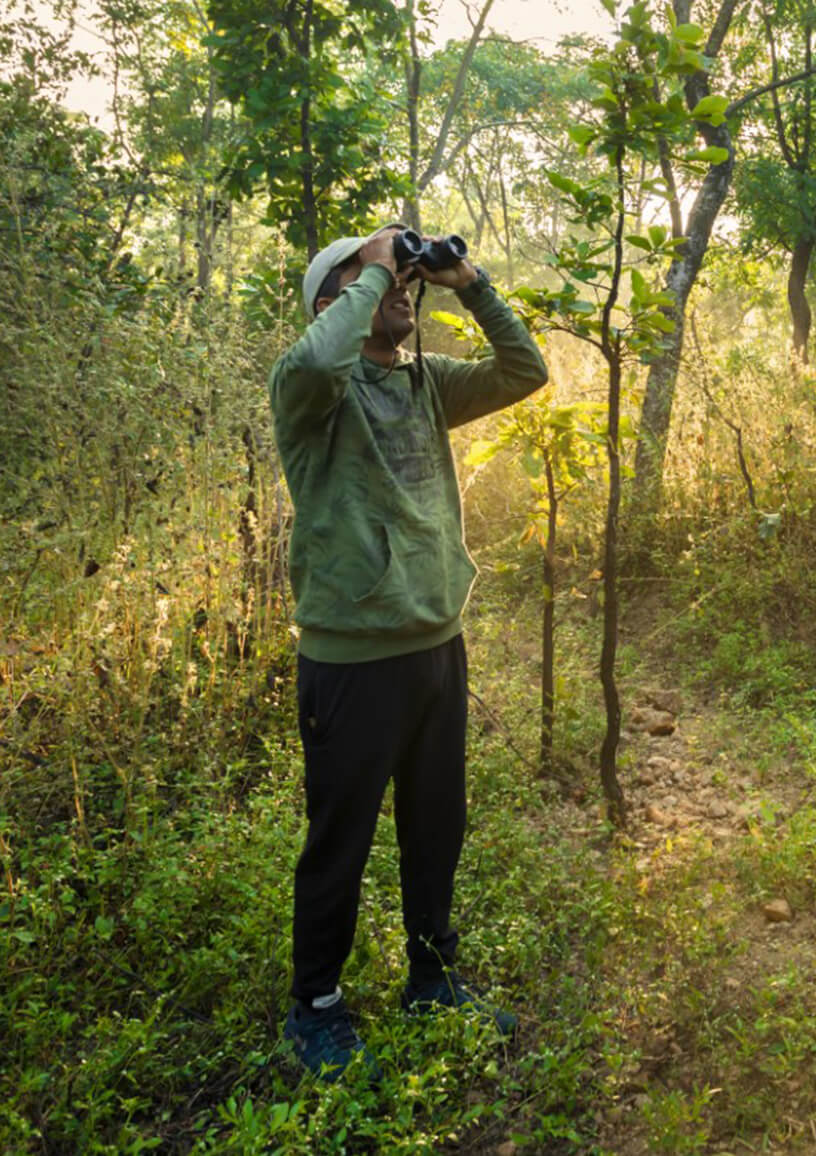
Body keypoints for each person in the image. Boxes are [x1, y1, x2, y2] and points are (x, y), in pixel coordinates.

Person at [271, 222, 548, 1080]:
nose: (395, 282)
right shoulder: (310, 389)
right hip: (351, 657)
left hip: (436, 640)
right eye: (369, 275)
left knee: (437, 828)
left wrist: (470, 283)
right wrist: (369, 272)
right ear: (334, 302)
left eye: (398, 272)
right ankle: (314, 1008)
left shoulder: (427, 384)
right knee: (340, 841)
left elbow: (525, 372)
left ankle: (432, 978)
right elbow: (318, 362)